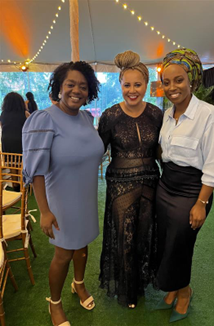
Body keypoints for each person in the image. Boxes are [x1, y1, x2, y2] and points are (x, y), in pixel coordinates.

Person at [22, 61, 104, 326]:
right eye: (70, 84)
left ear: (89, 90)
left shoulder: (86, 117)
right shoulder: (44, 118)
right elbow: (35, 171)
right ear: (59, 87)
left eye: (83, 86)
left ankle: (78, 284)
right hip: (60, 201)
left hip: (86, 197)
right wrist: (44, 211)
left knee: (82, 247)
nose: (76, 90)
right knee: (64, 254)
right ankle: (54, 304)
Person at [156, 48, 214, 322]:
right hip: (166, 186)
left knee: (180, 244)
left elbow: (213, 166)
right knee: (165, 242)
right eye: (167, 82)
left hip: (192, 192)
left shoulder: (209, 116)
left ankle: (184, 291)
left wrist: (201, 203)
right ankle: (175, 287)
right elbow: (166, 153)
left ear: (192, 80)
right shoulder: (166, 114)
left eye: (179, 80)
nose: (172, 87)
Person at [98, 50, 163, 308]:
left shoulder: (157, 115)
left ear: (146, 85)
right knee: (124, 238)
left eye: (138, 85)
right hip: (120, 188)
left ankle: (141, 283)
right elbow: (95, 151)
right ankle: (127, 291)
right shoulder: (110, 116)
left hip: (150, 186)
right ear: (120, 84)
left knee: (144, 236)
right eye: (127, 85)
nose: (132, 90)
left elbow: (162, 151)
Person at [1, 92, 30, 191]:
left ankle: (15, 186)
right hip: (21, 141)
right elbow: (32, 125)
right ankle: (23, 184)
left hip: (7, 142)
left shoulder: (3, 114)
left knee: (11, 163)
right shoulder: (24, 113)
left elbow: (3, 127)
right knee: (22, 163)